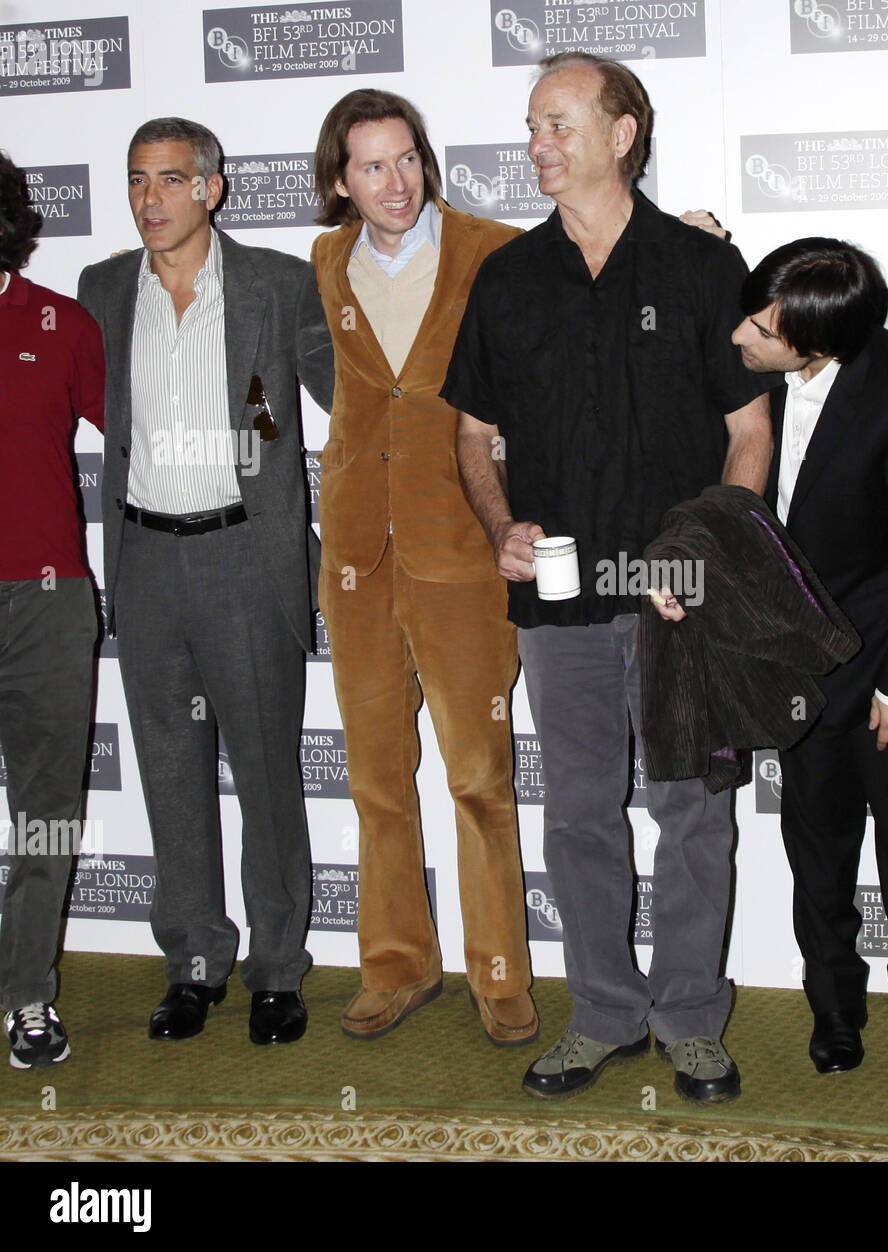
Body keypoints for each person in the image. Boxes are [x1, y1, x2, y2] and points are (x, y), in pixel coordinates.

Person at [445, 52, 772, 1104]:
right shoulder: (504, 277)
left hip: (682, 600)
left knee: (692, 812)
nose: (537, 143)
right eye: (531, 125)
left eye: (558, 123)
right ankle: (602, 1013)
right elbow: (471, 432)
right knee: (579, 812)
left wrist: (704, 546)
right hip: (557, 600)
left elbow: (750, 429)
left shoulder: (701, 267)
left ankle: (688, 1019)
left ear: (623, 133)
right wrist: (497, 521)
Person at [77, 118, 333, 1045]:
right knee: (169, 775)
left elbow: (352, 388)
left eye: (171, 180)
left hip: (245, 557)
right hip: (145, 561)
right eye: (137, 179)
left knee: (268, 774)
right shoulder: (102, 287)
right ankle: (192, 960)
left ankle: (276, 969)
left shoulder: (277, 282)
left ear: (213, 189)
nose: (150, 198)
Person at [310, 89, 537, 1046]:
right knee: (375, 778)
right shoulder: (324, 262)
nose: (395, 182)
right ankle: (398, 966)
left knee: (479, 777)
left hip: (463, 553)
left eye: (406, 159)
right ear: (339, 181)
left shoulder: (495, 249)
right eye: (372, 166)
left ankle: (499, 976)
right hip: (357, 556)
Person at [731, 237, 888, 1077]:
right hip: (799, 667)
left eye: (760, 330)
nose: (741, 337)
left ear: (818, 341)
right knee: (817, 849)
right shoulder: (764, 366)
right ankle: (833, 1009)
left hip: (887, 663)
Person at [0, 150, 104, 1069]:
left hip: (47, 602)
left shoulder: (60, 323)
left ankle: (28, 994)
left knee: (44, 811)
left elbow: (152, 431)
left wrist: (259, 420)